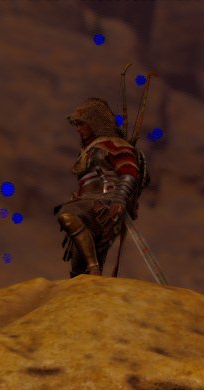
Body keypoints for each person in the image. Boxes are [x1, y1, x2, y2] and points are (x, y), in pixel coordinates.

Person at [52, 98, 146, 276]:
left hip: (103, 206)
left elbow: (129, 172)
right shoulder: (88, 150)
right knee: (78, 271)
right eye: (76, 125)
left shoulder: (114, 144)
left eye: (81, 124)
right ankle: (92, 274)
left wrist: (120, 198)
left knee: (67, 215)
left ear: (94, 122)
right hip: (88, 207)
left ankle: (94, 268)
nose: (77, 129)